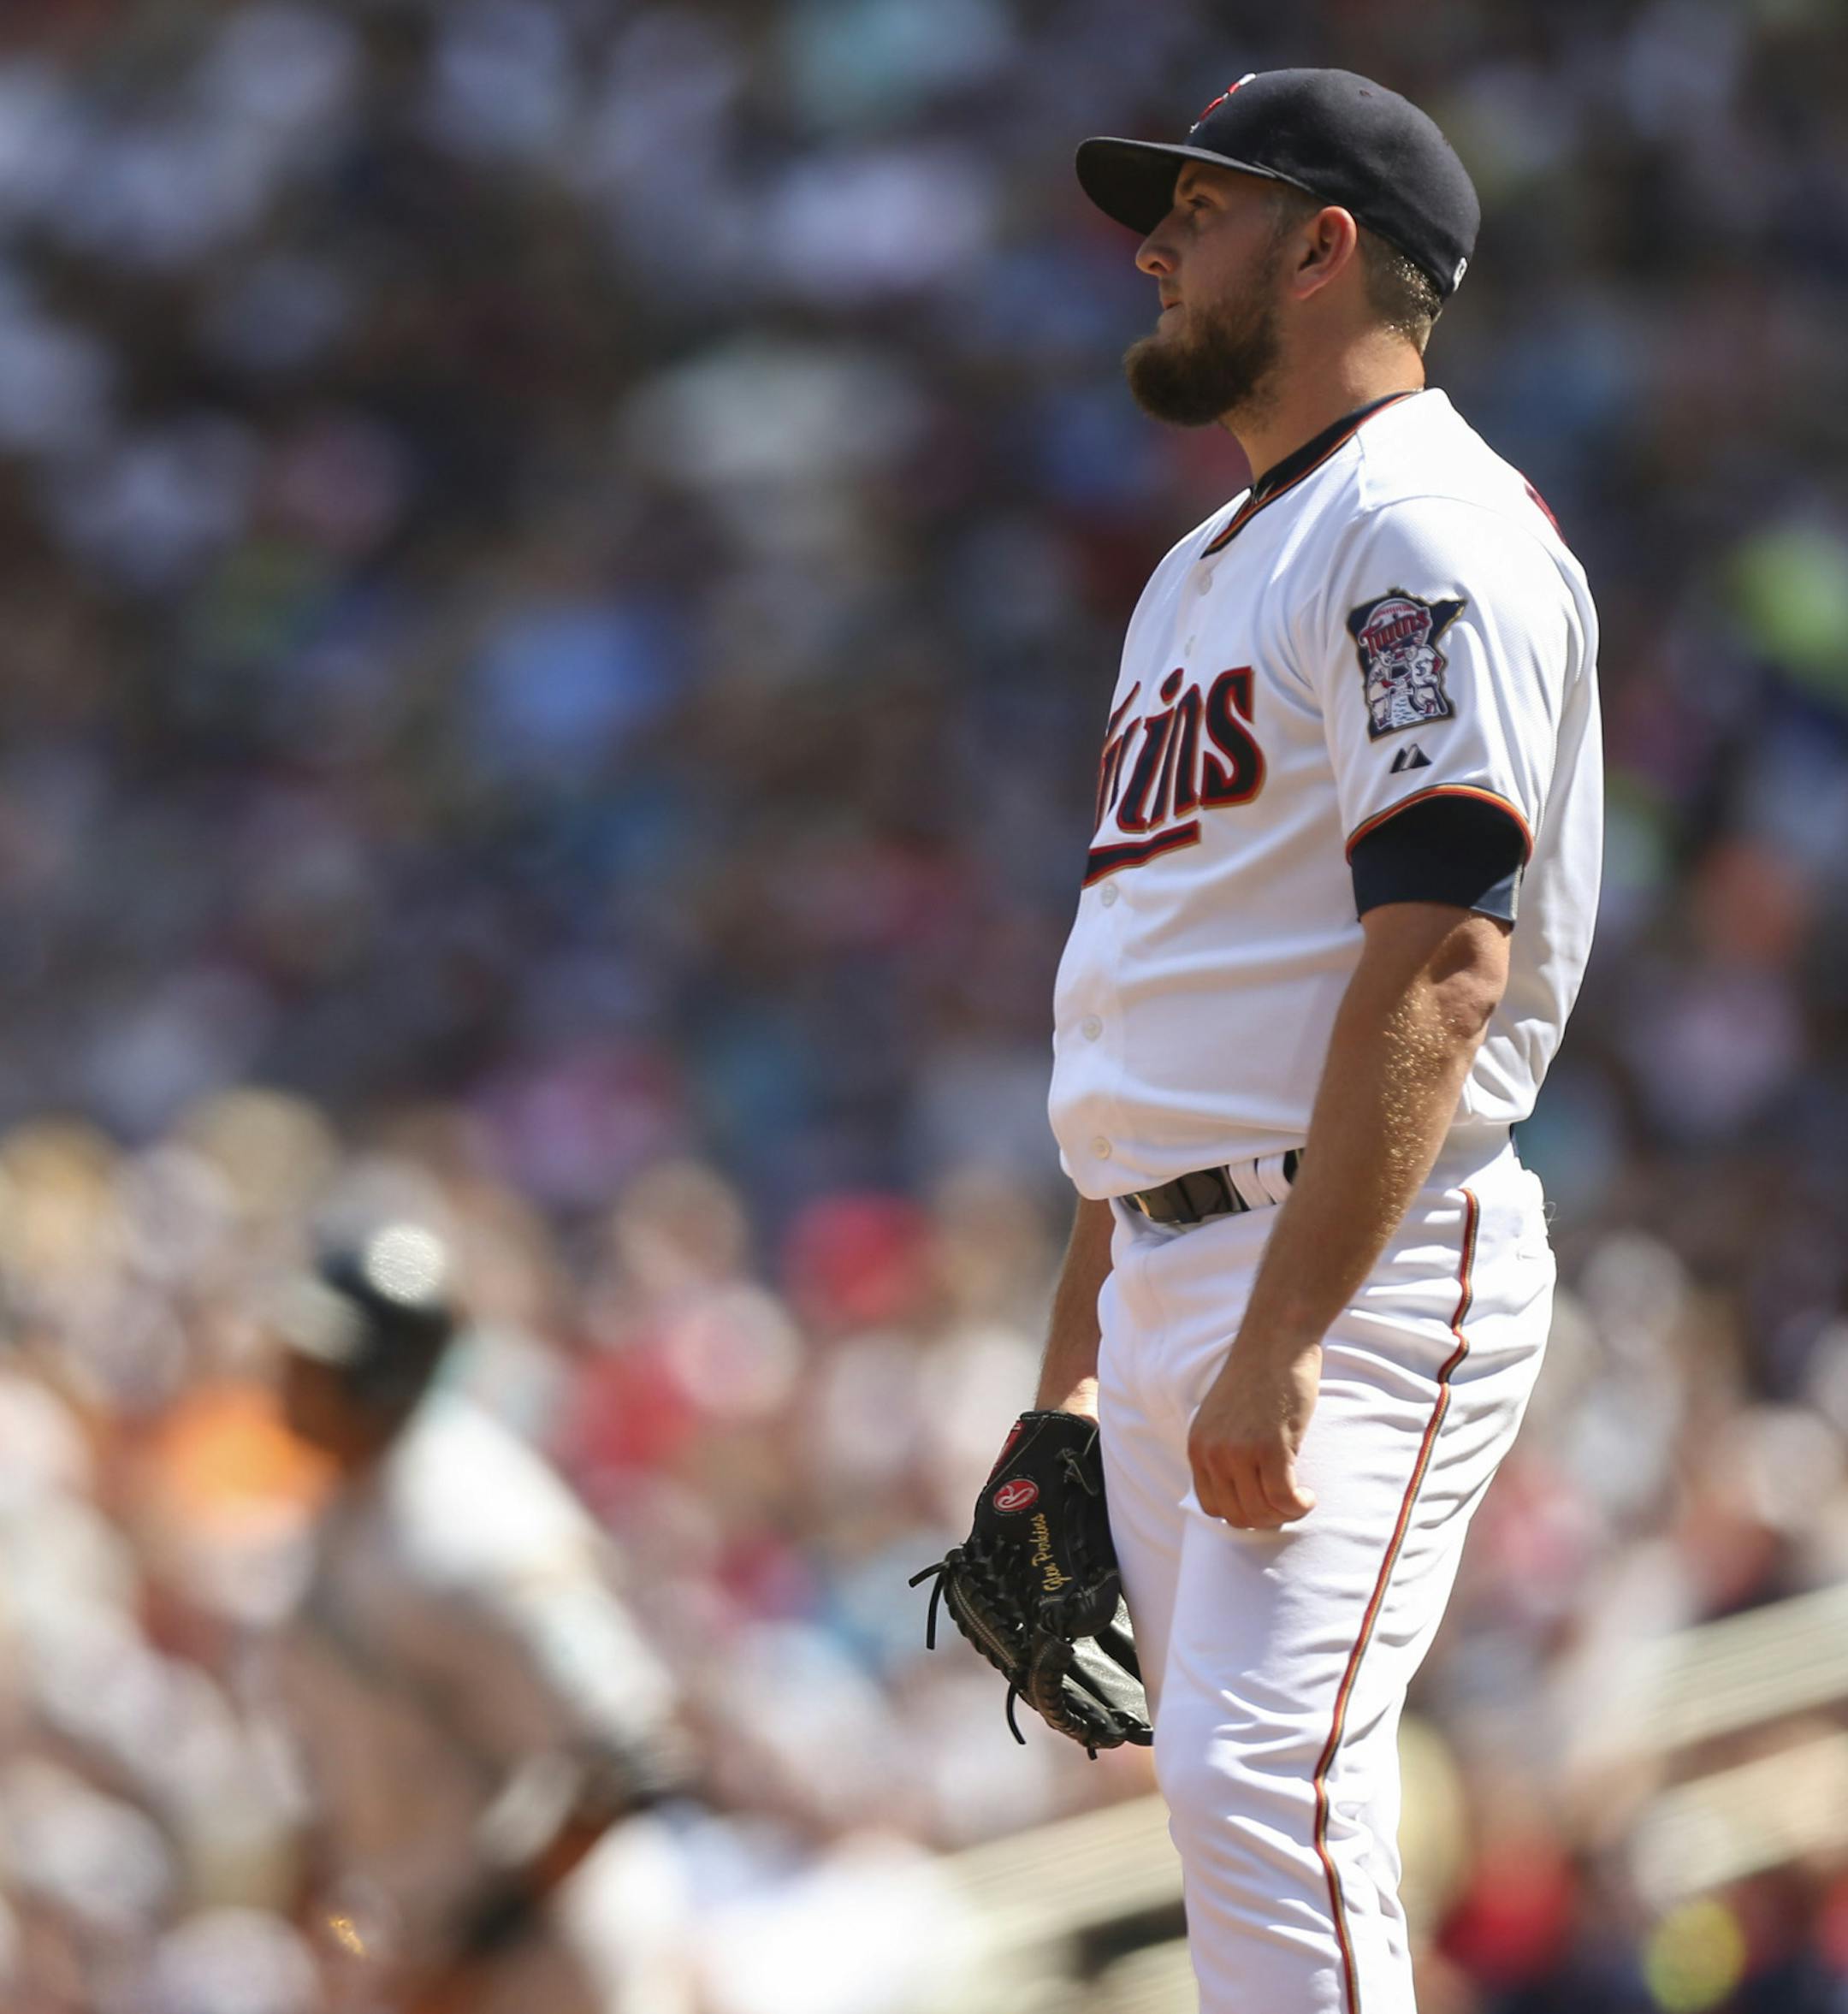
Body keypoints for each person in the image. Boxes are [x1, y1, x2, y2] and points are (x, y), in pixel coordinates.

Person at [1035, 68, 1602, 2012]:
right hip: (1168, 1258)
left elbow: (1441, 949)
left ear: (1319, 244)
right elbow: (1145, 1022)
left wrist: (1276, 1329)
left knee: (1259, 1777)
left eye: (1196, 211)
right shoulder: (1195, 575)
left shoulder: (1421, 524)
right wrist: (1063, 1384)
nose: (1154, 243)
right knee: (1213, 1820)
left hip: (1352, 1256)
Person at [264, 1223, 691, 2014]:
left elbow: (634, 1757)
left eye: (318, 1362)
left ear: (379, 1377)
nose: (285, 1375)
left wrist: (470, 1961)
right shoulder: (354, 1498)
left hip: (550, 1964)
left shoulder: (471, 1526)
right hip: (425, 1953)